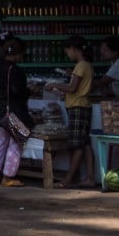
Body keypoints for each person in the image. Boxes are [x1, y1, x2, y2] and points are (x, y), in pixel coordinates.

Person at [48, 35, 96, 188]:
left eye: (67, 51)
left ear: (74, 49)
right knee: (85, 143)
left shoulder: (81, 66)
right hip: (82, 105)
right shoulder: (85, 65)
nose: (67, 54)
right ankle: (90, 177)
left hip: (78, 107)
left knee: (77, 145)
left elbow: (72, 88)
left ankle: (67, 180)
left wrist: (54, 84)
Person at [0, 38, 33, 188]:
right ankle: (8, 176)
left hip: (0, 111)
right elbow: (17, 91)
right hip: (14, 113)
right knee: (16, 143)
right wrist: (30, 90)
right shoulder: (16, 70)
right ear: (18, 54)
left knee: (0, 143)